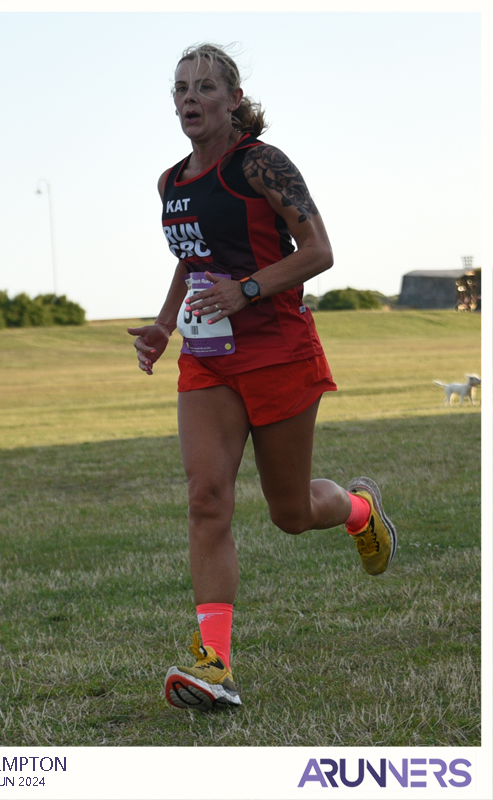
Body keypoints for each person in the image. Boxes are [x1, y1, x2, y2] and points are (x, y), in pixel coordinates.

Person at [128, 43, 397, 712]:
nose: (190, 98)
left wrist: (248, 288)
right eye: (181, 89)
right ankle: (214, 664)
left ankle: (360, 509)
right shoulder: (171, 184)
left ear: (233, 101)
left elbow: (319, 251)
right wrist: (165, 325)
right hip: (209, 360)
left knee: (291, 512)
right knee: (206, 498)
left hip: (278, 349)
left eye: (204, 88)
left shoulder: (262, 164)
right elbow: (192, 261)